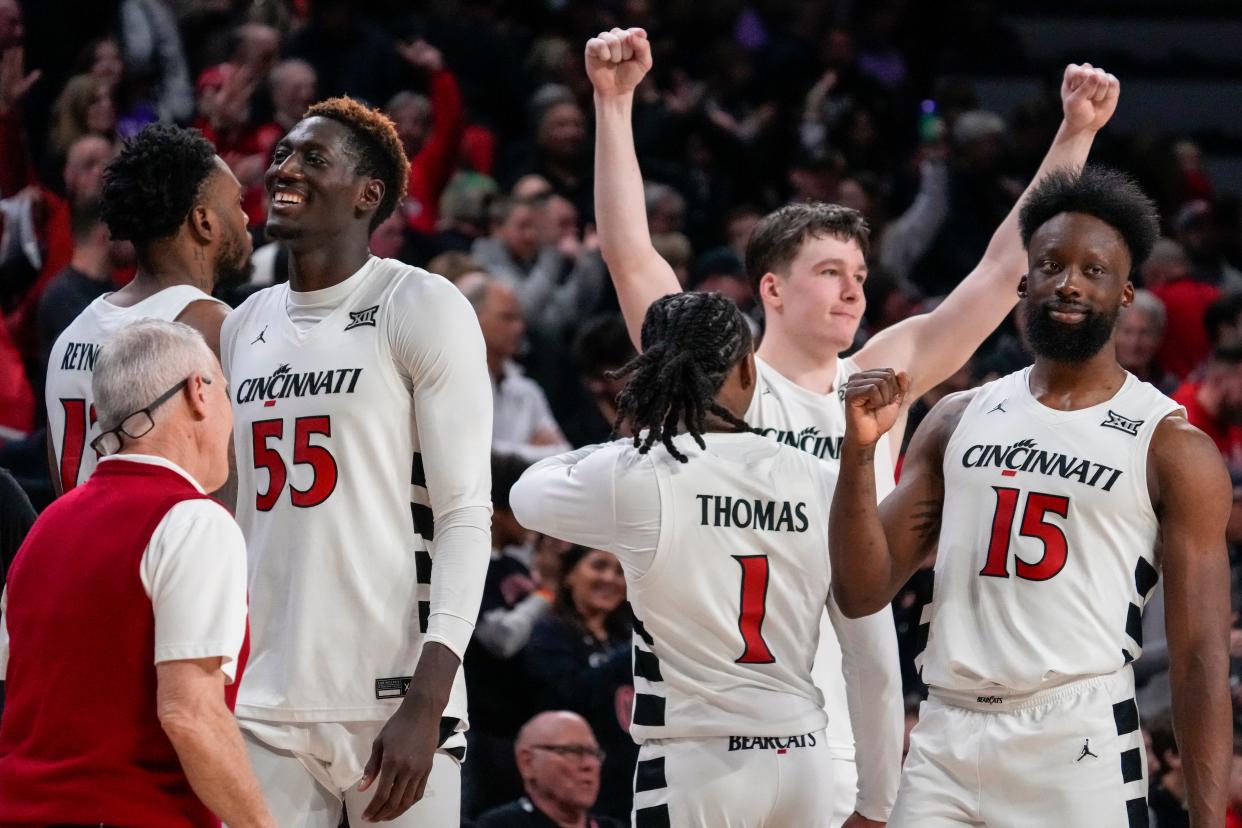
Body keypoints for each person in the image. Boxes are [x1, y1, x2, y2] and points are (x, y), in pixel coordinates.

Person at [587, 25, 1121, 827]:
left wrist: (1073, 136)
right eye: (829, 273)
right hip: (709, 709)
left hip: (834, 703)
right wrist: (614, 103)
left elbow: (996, 276)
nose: (852, 292)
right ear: (770, 288)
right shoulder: (709, 378)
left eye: (861, 276)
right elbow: (632, 256)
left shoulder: (877, 380)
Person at [829, 166, 1230, 826]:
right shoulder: (957, 416)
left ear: (1126, 292)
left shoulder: (1170, 445)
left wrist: (1208, 819)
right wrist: (859, 453)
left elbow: (1198, 657)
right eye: (1051, 264)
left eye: (1092, 270)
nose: (1068, 281)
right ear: (1025, 281)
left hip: (1076, 740)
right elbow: (860, 589)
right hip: (947, 732)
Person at [220, 96, 493, 826]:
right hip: (263, 692)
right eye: (282, 153)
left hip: (393, 692)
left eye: (313, 158)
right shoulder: (242, 324)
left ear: (369, 194)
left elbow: (467, 512)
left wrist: (429, 698)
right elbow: (226, 510)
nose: (284, 168)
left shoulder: (419, 302)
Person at [512, 291, 873, 827]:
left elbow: (526, 494)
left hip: (698, 761)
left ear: (651, 374)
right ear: (749, 368)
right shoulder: (821, 480)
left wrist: (630, 442)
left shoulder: (639, 474)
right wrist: (878, 800)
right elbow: (871, 651)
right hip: (804, 757)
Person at [0, 319, 271, 826]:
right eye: (229, 395)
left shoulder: (45, 527)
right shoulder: (195, 520)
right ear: (199, 393)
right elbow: (191, 715)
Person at [44, 123, 250, 496]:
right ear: (203, 221)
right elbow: (228, 498)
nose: (248, 218)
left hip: (84, 547)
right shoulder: (213, 330)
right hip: (167, 550)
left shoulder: (71, 335)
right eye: (237, 203)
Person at [522, 545, 634, 819]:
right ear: (570, 575)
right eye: (598, 566)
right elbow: (568, 695)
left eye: (620, 571)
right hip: (573, 785)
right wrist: (633, 650)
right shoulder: (550, 632)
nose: (610, 578)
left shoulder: (622, 637)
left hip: (630, 780)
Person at [458, 272, 572, 461]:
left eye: (519, 318)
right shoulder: (448, 382)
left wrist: (506, 453)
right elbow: (469, 455)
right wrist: (531, 450)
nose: (519, 328)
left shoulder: (528, 390)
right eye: (507, 318)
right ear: (471, 317)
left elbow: (564, 454)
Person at [475, 711, 624, 828]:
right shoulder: (500, 825)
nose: (589, 764)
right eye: (573, 751)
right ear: (527, 762)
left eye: (594, 753)